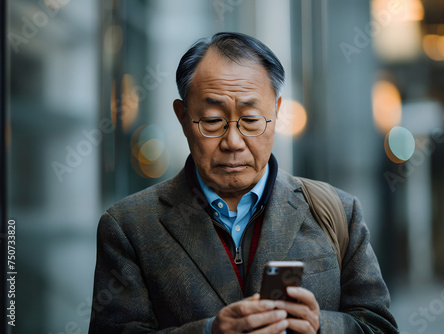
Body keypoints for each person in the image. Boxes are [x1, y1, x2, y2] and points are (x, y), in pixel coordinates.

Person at [89, 32, 398, 334]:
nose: (233, 142)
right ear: (183, 118)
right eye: (212, 121)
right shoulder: (130, 227)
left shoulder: (338, 212)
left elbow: (379, 325)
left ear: (276, 113)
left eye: (251, 120)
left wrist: (322, 326)